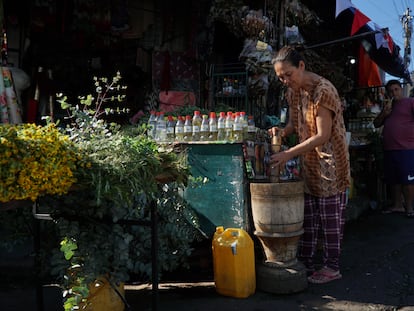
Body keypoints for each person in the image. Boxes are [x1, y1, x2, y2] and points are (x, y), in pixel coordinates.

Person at [269, 46, 350, 284]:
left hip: (330, 162)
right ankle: (308, 262)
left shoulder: (323, 91)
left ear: (301, 66)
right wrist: (282, 133)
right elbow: (295, 124)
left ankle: (332, 267)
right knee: (310, 216)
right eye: (280, 77)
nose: (285, 80)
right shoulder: (294, 91)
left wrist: (288, 154)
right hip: (310, 161)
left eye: (288, 74)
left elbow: (323, 136)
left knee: (329, 218)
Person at [373, 79, 414, 217]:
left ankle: (409, 208)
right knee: (394, 180)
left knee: (407, 180)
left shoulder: (410, 102)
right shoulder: (388, 106)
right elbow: (376, 124)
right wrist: (384, 113)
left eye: (396, 89)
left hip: (406, 148)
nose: (394, 93)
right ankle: (397, 205)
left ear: (401, 89)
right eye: (391, 91)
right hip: (390, 148)